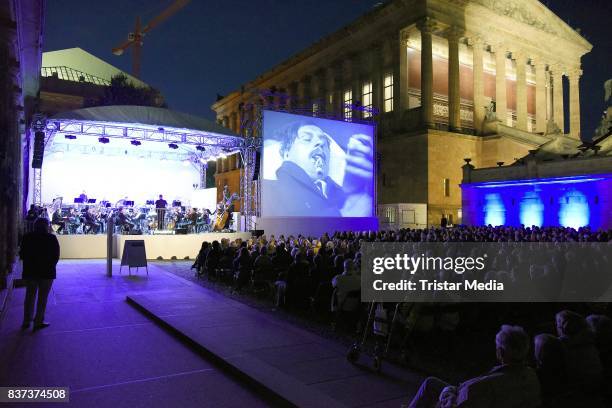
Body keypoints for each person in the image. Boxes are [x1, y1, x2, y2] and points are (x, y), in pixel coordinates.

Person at [408, 325, 541, 408]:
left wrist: (448, 392)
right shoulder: (531, 375)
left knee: (430, 384)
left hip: (461, 397)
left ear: (500, 352)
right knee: (432, 382)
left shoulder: (488, 385)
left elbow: (454, 405)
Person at [263, 121, 373, 217]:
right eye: (307, 139)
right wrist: (344, 217)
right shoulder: (267, 192)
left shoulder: (345, 192)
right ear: (287, 153)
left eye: (324, 142)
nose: (320, 143)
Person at [19, 218, 60, 330]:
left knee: (29, 297)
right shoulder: (51, 238)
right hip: (47, 272)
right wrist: (50, 266)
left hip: (31, 272)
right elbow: (56, 256)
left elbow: (22, 255)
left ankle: (26, 321)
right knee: (42, 298)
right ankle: (38, 322)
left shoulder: (27, 237)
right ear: (47, 226)